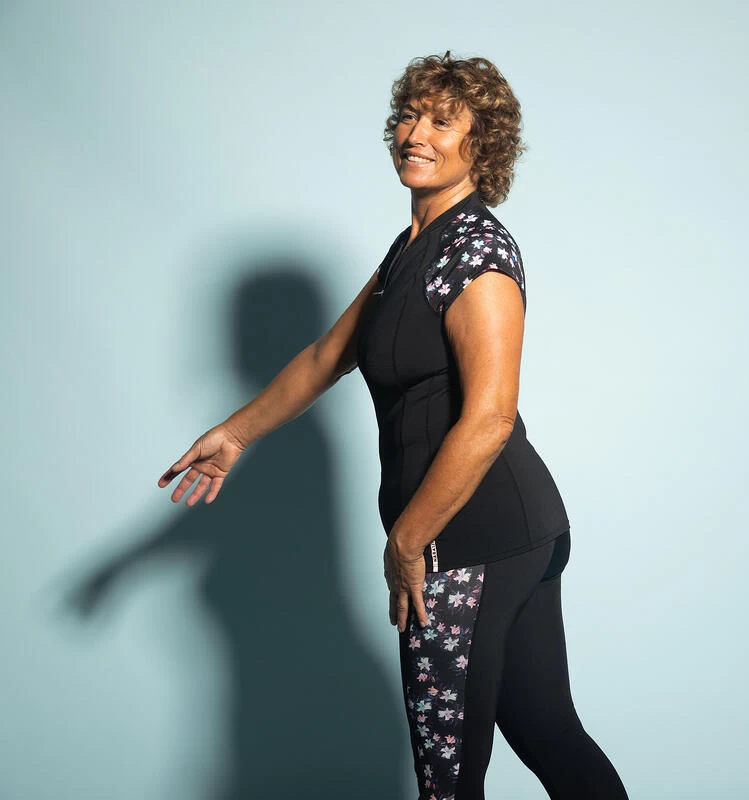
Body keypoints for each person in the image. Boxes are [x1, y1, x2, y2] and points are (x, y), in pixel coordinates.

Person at [158, 52, 628, 800]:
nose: (416, 133)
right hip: (506, 533)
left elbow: (490, 417)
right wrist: (236, 435)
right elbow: (329, 354)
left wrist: (409, 540)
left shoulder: (479, 255)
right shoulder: (414, 246)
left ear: (483, 144)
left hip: (471, 541)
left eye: (442, 121)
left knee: (447, 778)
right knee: (548, 734)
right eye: (410, 115)